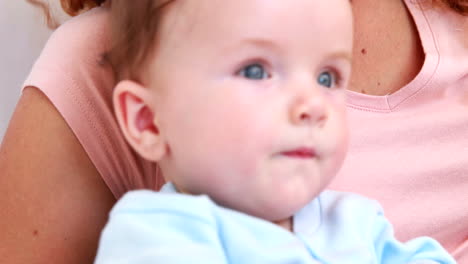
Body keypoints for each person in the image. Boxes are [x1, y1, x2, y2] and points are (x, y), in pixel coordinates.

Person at [0, 0, 466, 263]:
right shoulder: (164, 238)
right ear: (146, 121)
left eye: (327, 78)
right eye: (256, 71)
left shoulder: (357, 223)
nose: (311, 106)